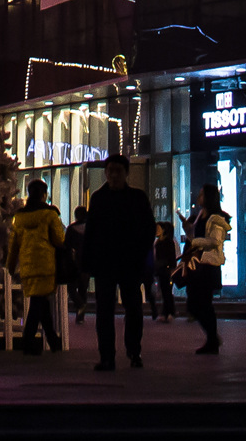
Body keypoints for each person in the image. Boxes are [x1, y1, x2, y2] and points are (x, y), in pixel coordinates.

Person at [83, 154, 153, 370]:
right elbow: (91, 233)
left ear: (126, 173)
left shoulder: (137, 198)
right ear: (106, 172)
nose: (113, 175)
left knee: (133, 308)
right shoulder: (98, 198)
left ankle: (134, 350)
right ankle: (107, 356)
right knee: (104, 311)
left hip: (130, 263)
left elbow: (149, 229)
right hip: (105, 264)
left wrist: (140, 254)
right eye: (110, 170)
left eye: (118, 171)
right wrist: (87, 264)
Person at [8, 180, 66, 354]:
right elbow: (59, 240)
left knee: (40, 301)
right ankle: (28, 341)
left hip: (27, 266)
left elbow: (14, 244)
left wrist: (10, 266)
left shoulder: (20, 216)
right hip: (46, 265)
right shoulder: (49, 215)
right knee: (38, 303)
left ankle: (53, 341)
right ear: (44, 194)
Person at [181, 184, 230, 356]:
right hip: (196, 265)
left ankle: (212, 340)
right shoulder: (198, 217)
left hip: (208, 266)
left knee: (203, 304)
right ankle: (212, 338)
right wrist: (189, 233)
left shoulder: (217, 218)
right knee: (194, 304)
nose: (198, 196)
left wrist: (193, 237)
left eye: (201, 194)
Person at [61, 210, 88, 325]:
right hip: (87, 263)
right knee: (83, 289)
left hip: (74, 262)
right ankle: (80, 316)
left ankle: (80, 304)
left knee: (71, 288)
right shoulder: (91, 229)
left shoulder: (71, 229)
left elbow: (66, 246)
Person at [149, 221, 177, 322]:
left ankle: (169, 312)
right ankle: (166, 312)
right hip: (160, 269)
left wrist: (170, 267)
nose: (156, 231)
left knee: (167, 292)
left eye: (159, 229)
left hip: (165, 269)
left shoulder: (168, 242)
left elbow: (172, 258)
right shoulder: (157, 243)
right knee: (164, 291)